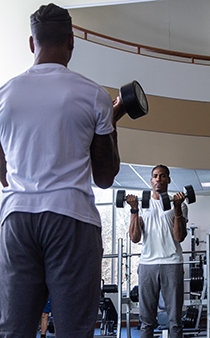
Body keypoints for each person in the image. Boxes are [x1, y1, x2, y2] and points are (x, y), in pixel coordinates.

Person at [0, 3, 126, 338]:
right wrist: (112, 125)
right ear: (72, 41)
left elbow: (2, 172)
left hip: (16, 219)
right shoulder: (93, 95)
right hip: (69, 217)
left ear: (32, 43)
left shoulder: (4, 95)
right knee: (73, 331)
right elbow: (104, 176)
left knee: (14, 330)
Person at [127, 164, 188, 338]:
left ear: (168, 179)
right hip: (148, 264)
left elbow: (179, 237)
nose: (158, 179)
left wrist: (176, 208)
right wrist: (134, 211)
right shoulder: (143, 205)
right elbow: (135, 238)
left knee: (175, 320)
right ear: (151, 180)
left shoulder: (180, 204)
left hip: (172, 263)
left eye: (162, 176)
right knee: (146, 321)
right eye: (155, 176)